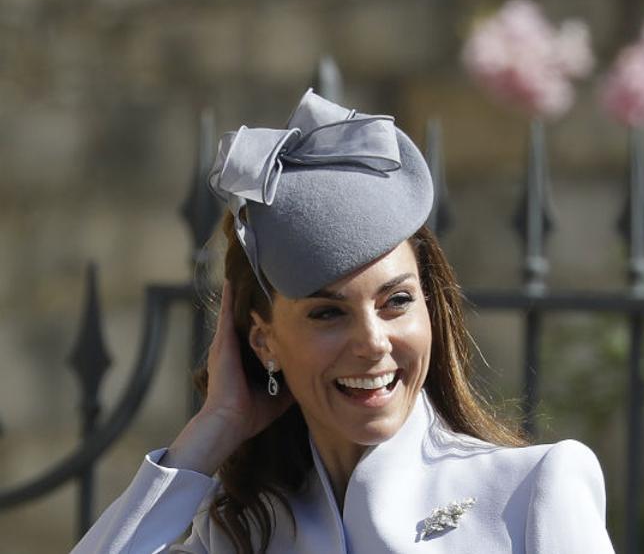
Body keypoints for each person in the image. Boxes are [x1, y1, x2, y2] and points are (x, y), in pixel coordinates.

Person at [75, 90, 615, 553]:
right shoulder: (236, 530)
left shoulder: (530, 488)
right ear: (264, 341)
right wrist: (214, 428)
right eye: (328, 313)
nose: (373, 343)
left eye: (397, 301)